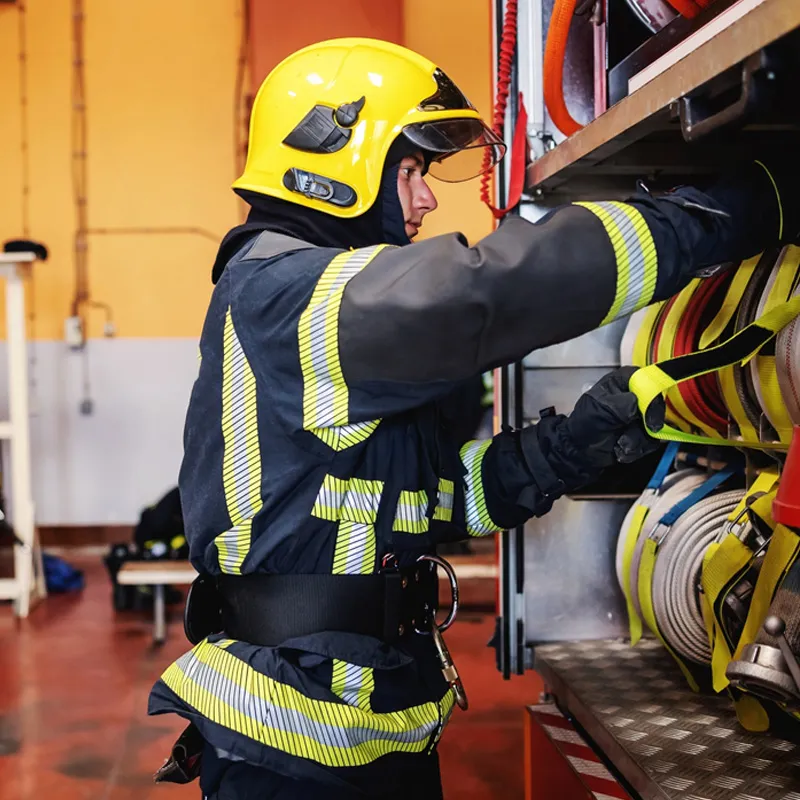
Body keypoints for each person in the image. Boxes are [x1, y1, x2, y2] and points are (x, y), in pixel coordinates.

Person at [148, 37, 795, 799]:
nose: (425, 201)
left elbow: (439, 500)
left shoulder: (333, 329)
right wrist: (727, 212)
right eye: (413, 170)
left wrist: (571, 446)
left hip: (366, 716)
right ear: (330, 159)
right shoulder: (286, 295)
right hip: (292, 740)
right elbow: (487, 293)